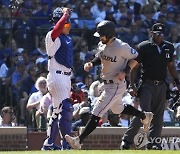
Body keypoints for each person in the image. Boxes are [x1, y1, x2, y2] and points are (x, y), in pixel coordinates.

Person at [65, 20, 153, 150]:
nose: (100, 37)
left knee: (97, 111)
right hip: (107, 83)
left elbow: (137, 57)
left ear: (110, 34)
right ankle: (144, 116)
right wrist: (91, 63)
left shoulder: (121, 46)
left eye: (102, 35)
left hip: (116, 84)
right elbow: (100, 57)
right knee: (118, 109)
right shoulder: (102, 44)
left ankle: (79, 140)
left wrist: (126, 71)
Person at [121, 23, 180, 150]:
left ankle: (154, 143)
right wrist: (132, 85)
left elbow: (171, 66)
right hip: (147, 83)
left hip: (162, 85)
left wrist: (177, 81)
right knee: (144, 113)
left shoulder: (168, 47)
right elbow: (134, 67)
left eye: (162, 33)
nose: (159, 36)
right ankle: (127, 139)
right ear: (151, 33)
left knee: (158, 116)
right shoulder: (144, 46)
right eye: (157, 33)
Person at [41, 7, 74, 150]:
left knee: (56, 111)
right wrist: (65, 15)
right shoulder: (51, 35)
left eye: (69, 23)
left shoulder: (66, 38)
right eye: (65, 23)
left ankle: (49, 142)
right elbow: (57, 29)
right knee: (66, 109)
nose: (68, 26)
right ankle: (66, 144)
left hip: (65, 77)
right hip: (57, 75)